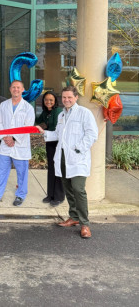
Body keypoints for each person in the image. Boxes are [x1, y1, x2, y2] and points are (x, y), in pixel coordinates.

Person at [36, 86, 98, 239]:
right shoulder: (62, 115)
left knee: (78, 189)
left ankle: (85, 224)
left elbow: (92, 134)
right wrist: (44, 132)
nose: (66, 100)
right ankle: (74, 216)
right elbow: (58, 134)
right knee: (68, 188)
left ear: (76, 97)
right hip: (62, 157)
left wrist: (79, 148)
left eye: (69, 97)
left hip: (77, 157)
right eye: (64, 97)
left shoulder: (84, 113)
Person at [0, 80, 35, 206]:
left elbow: (28, 127)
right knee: (1, 171)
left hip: (20, 145)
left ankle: (21, 195)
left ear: (23, 90)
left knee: (22, 173)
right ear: (10, 89)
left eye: (18, 87)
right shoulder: (4, 105)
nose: (16, 89)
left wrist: (14, 138)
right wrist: (5, 137)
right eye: (13, 87)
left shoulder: (28, 108)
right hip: (5, 144)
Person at [35, 91, 64, 206]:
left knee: (58, 168)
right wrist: (43, 125)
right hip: (50, 142)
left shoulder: (58, 112)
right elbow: (38, 121)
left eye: (51, 100)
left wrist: (46, 127)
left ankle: (59, 196)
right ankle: (50, 194)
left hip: (58, 142)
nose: (48, 102)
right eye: (46, 100)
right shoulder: (45, 112)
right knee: (51, 168)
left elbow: (57, 129)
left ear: (55, 101)